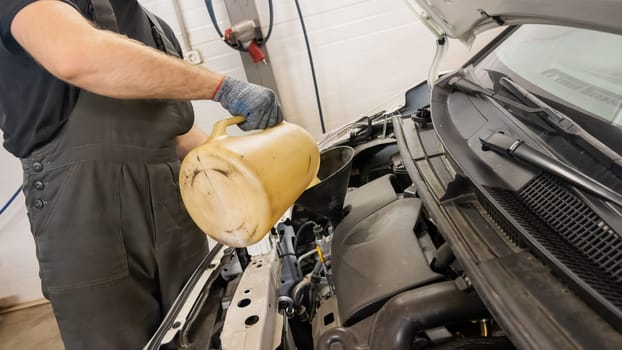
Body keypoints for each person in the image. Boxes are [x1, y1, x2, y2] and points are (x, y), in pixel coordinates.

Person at [0, 0, 283, 348]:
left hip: (173, 201)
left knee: (197, 327)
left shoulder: (154, 28)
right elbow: (76, 55)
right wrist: (221, 87)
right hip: (86, 206)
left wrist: (246, 169)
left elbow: (173, 131)